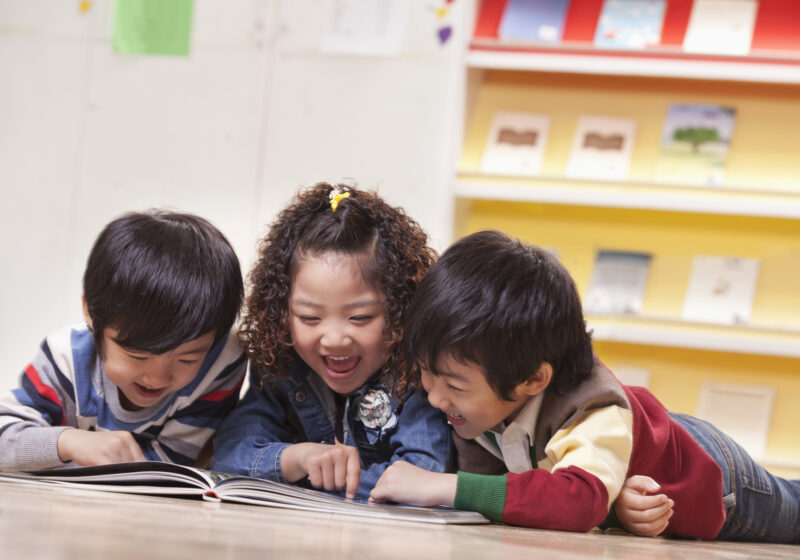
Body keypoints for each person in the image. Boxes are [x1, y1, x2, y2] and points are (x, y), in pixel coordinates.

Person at [370, 229, 800, 542]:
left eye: (454, 385)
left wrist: (445, 487)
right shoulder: (483, 398)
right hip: (642, 439)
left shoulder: (592, 411)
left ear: (533, 379)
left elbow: (579, 502)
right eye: (426, 372)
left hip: (712, 474)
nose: (434, 396)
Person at [211, 182, 451, 499]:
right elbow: (230, 455)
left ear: (400, 310)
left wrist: (314, 482)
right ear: (281, 313)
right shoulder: (281, 364)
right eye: (310, 318)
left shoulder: (417, 374)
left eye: (360, 318)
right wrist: (297, 459)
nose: (335, 339)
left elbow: (424, 474)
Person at [0, 210, 247, 471]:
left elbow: (172, 466)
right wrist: (69, 441)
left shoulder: (219, 363)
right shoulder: (66, 359)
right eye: (138, 356)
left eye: (187, 360)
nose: (157, 379)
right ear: (90, 312)